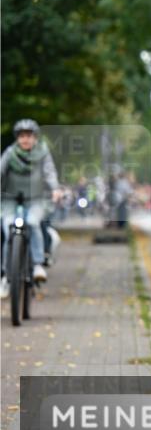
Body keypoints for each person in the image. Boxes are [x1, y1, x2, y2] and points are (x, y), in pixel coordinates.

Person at [1, 119, 61, 298]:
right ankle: (6, 274)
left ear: (35, 138)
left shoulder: (42, 153)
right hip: (10, 200)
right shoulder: (10, 153)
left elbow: (49, 172)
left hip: (35, 199)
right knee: (7, 228)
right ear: (17, 138)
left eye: (28, 136)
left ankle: (37, 265)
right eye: (22, 136)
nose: (25, 140)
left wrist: (55, 189)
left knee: (33, 222)